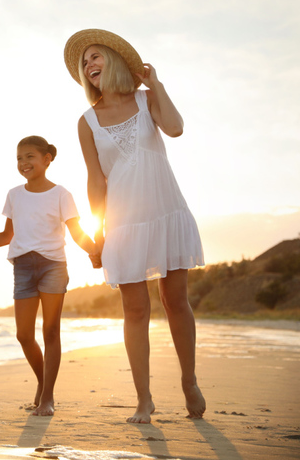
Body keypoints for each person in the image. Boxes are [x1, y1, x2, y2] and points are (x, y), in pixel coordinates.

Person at [64, 29, 206, 423]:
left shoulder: (146, 100)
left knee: (175, 300)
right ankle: (144, 399)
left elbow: (175, 128)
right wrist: (98, 231)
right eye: (84, 61)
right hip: (124, 223)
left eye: (96, 56)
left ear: (113, 60)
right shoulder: (86, 121)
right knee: (135, 309)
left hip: (166, 211)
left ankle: (189, 379)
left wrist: (156, 84)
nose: (90, 64)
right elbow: (96, 179)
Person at [0, 136, 100, 416]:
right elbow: (7, 235)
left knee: (50, 330)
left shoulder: (61, 194)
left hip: (53, 266)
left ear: (47, 159)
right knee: (24, 334)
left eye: (29, 157)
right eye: (19, 158)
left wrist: (95, 251)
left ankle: (47, 397)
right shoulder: (14, 194)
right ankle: (42, 380)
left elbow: (76, 233)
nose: (23, 163)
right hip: (23, 266)